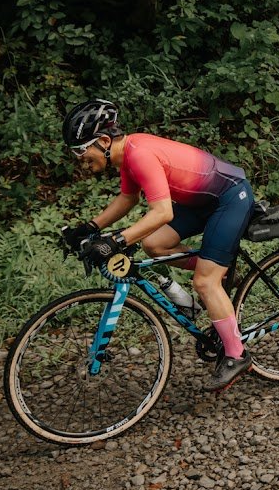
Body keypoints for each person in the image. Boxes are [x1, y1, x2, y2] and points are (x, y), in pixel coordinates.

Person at [60, 99, 257, 392]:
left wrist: (116, 240)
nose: (80, 159)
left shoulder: (139, 155)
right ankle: (221, 271)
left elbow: (162, 212)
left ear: (103, 141)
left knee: (204, 282)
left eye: (81, 151)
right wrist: (90, 227)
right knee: (153, 244)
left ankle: (237, 355)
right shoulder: (127, 155)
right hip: (202, 201)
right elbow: (128, 199)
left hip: (229, 198)